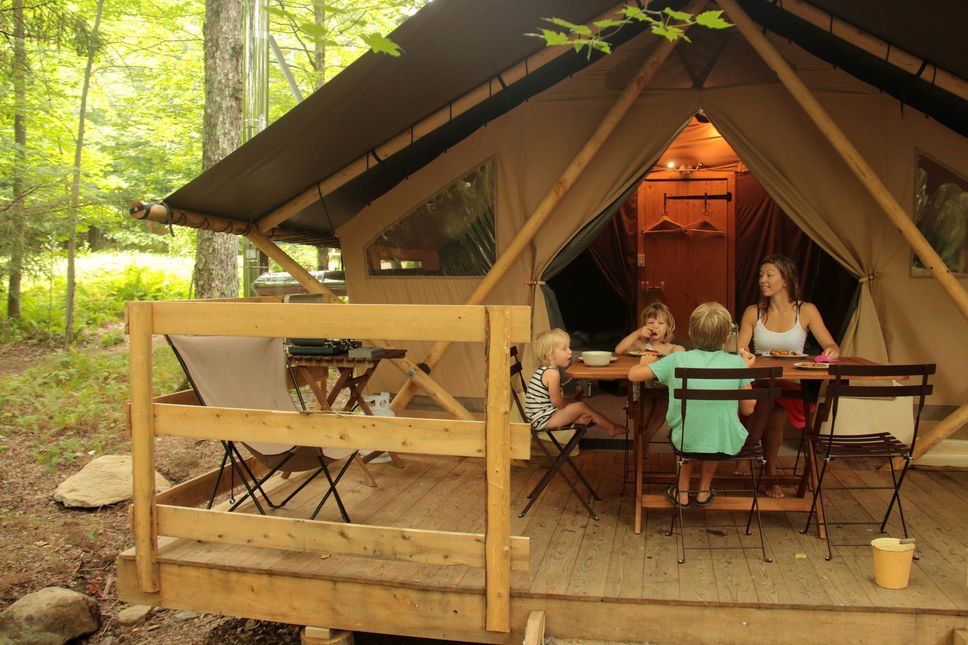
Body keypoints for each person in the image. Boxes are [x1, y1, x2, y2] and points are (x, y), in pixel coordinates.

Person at [629, 302, 757, 507]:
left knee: (689, 432)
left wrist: (645, 364)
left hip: (685, 440)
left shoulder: (677, 359)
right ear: (727, 337)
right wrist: (744, 370)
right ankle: (704, 490)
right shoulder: (737, 363)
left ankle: (682, 491)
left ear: (690, 332)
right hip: (724, 441)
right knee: (713, 431)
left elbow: (634, 375)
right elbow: (748, 409)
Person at [737, 254, 841, 498]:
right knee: (772, 406)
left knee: (773, 399)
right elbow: (740, 349)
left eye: (769, 275)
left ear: (786, 280)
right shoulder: (753, 312)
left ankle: (748, 450)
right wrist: (742, 353)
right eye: (761, 275)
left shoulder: (806, 311)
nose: (762, 280)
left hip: (791, 383)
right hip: (761, 382)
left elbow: (831, 345)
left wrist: (830, 351)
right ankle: (770, 477)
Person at [526, 328, 627, 437]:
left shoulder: (546, 370)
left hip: (545, 416)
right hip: (542, 421)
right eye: (564, 349)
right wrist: (571, 406)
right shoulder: (551, 374)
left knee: (575, 404)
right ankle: (611, 428)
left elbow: (554, 402)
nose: (570, 351)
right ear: (549, 355)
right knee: (580, 406)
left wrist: (571, 403)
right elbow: (557, 403)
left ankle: (577, 419)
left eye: (569, 347)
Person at [615, 302, 686, 447]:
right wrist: (637, 333)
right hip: (643, 388)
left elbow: (681, 356)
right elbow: (618, 350)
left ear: (668, 326)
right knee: (644, 404)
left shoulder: (673, 348)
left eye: (660, 323)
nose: (655, 326)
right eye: (651, 323)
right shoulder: (641, 346)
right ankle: (641, 440)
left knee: (664, 402)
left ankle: (645, 439)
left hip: (664, 390)